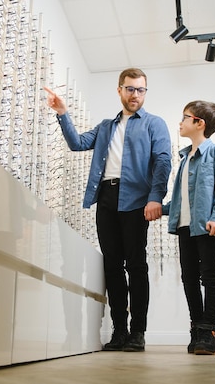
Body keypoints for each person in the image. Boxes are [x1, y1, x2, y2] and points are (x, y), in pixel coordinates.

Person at [44, 68, 172, 352]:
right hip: (106, 198)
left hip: (138, 200)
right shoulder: (106, 126)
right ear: (119, 90)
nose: (135, 94)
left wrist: (156, 197)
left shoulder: (154, 124)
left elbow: (162, 163)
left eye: (140, 90)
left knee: (136, 265)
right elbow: (77, 144)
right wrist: (63, 113)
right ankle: (119, 331)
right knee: (112, 265)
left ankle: (137, 331)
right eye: (130, 89)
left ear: (145, 92)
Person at [163, 100, 215, 355]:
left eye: (185, 117)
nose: (180, 123)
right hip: (184, 227)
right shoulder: (184, 158)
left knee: (209, 277)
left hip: (206, 227)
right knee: (189, 278)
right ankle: (196, 329)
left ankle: (208, 331)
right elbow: (181, 198)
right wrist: (162, 208)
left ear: (199, 123)